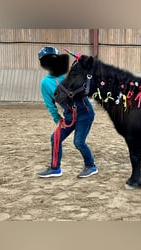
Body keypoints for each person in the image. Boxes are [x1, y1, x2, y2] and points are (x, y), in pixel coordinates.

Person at [37, 46, 98, 178]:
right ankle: (55, 168)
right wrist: (57, 119)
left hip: (84, 114)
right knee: (55, 138)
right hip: (69, 116)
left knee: (79, 142)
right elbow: (50, 105)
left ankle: (91, 166)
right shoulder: (45, 83)